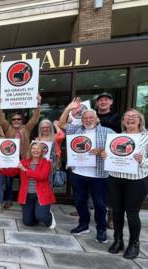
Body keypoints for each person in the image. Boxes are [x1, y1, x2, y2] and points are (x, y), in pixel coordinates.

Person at [58, 98, 115, 244]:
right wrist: (68, 108)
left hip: (99, 175)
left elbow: (115, 151)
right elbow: (61, 124)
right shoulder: (76, 130)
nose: (88, 120)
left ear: (96, 118)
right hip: (79, 173)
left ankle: (101, 229)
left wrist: (103, 151)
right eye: (85, 118)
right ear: (81, 120)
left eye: (91, 117)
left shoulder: (108, 132)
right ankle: (83, 225)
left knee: (100, 204)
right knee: (80, 201)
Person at [101, 109, 148, 259]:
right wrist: (105, 155)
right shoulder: (115, 137)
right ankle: (118, 240)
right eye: (126, 117)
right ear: (123, 122)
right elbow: (111, 157)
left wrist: (143, 160)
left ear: (140, 120)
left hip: (136, 180)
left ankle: (134, 243)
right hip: (115, 178)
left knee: (132, 214)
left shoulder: (146, 137)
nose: (130, 119)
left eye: (134, 116)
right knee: (117, 212)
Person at [0, 95, 42, 208]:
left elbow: (35, 118)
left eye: (18, 119)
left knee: (24, 180)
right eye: (14, 119)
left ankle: (23, 199)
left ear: (22, 120)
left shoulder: (26, 128)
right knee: (8, 180)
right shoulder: (8, 128)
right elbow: (1, 119)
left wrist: (38, 104)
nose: (16, 120)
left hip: (24, 158)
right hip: (10, 158)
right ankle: (8, 200)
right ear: (11, 121)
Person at [0, 143, 56, 228]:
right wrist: (0, 168)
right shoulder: (23, 162)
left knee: (41, 216)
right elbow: (12, 172)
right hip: (27, 195)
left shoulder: (46, 163)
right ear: (30, 150)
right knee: (28, 222)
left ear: (42, 151)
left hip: (41, 195)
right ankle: (38, 213)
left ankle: (49, 218)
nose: (35, 150)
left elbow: (42, 176)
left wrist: (25, 170)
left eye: (38, 149)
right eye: (33, 148)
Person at [95, 92, 121, 230]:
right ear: (97, 103)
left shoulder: (117, 117)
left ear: (111, 102)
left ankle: (110, 216)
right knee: (92, 185)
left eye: (106, 100)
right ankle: (88, 209)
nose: (103, 102)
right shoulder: (91, 115)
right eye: (100, 100)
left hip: (111, 156)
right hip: (93, 155)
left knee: (109, 189)